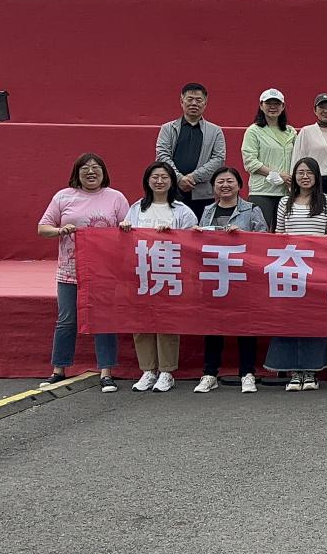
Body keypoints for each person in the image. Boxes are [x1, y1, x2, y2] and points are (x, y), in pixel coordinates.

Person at [37, 153, 129, 393]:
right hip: (70, 270)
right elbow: (43, 228)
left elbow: (129, 229)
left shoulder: (115, 197)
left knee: (104, 319)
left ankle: (106, 372)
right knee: (66, 319)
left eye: (96, 167)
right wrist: (60, 230)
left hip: (104, 271)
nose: (91, 172)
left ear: (103, 172)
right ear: (76, 173)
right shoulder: (63, 196)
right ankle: (58, 370)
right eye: (85, 168)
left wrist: (124, 228)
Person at [119, 161, 198, 393]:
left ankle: (166, 371)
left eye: (164, 177)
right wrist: (124, 229)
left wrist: (174, 234)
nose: (160, 181)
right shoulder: (136, 209)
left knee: (167, 321)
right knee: (141, 322)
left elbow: (193, 242)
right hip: (141, 272)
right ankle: (148, 370)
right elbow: (125, 241)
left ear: (172, 181)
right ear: (147, 181)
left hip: (169, 273)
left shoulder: (182, 211)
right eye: (155, 177)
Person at [266, 157, 327, 392]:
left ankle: (311, 371)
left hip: (317, 271)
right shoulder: (284, 202)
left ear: (317, 176)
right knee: (290, 321)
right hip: (290, 269)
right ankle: (294, 372)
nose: (304, 177)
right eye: (300, 173)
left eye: (309, 172)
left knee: (313, 321)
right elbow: (278, 235)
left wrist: (316, 242)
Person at [193, 166, 269, 394]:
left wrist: (244, 236)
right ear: (214, 187)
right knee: (213, 325)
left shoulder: (252, 210)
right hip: (214, 276)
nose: (225, 185)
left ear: (239, 185)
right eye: (220, 182)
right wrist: (195, 234)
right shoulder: (208, 211)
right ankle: (210, 373)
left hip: (242, 277)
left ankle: (247, 373)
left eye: (229, 181)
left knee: (245, 326)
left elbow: (264, 240)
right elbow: (200, 244)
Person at [155, 82, 225, 219]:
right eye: (190, 99)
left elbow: (218, 159)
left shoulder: (215, 131)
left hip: (202, 193)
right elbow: (162, 156)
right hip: (171, 189)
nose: (194, 103)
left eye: (199, 100)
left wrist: (193, 177)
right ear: (182, 102)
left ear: (205, 103)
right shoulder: (168, 129)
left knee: (200, 229)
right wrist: (179, 179)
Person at [241, 88, 298, 232]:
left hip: (286, 192)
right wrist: (278, 174)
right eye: (268, 103)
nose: (273, 107)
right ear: (261, 105)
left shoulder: (291, 131)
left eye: (277, 103)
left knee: (283, 233)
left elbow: (297, 157)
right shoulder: (253, 131)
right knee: (261, 232)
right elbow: (250, 162)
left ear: (283, 106)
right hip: (262, 192)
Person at [292, 92, 327, 205]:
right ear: (315, 110)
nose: (325, 111)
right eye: (321, 107)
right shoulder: (306, 131)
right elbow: (296, 161)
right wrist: (294, 189)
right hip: (312, 182)